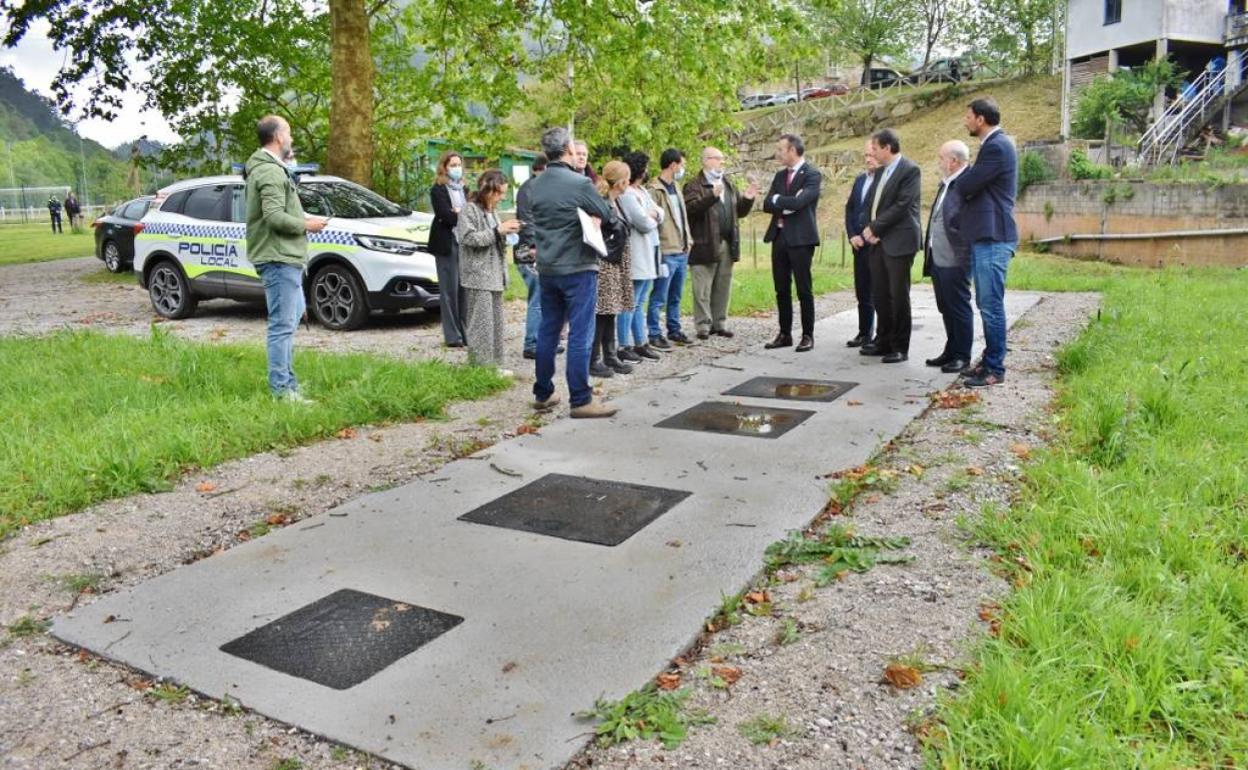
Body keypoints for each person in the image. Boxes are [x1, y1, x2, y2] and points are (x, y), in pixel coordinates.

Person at [526, 126, 618, 418]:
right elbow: (606, 214)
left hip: (548, 267)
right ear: (567, 150)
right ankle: (580, 399)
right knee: (581, 331)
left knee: (549, 329)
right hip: (578, 265)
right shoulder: (579, 183)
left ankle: (543, 393)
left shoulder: (535, 185)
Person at [245, 114, 327, 402]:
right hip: (278, 258)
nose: (291, 138)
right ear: (279, 137)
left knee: (289, 323)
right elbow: (274, 217)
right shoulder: (269, 172)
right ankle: (282, 392)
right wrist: (307, 225)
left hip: (286, 257)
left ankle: (289, 385)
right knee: (282, 326)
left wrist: (304, 218)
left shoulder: (271, 169)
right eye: (289, 133)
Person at [958, 97, 1018, 387]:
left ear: (981, 119)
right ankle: (989, 359)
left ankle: (995, 368)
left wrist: (966, 181)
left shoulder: (996, 147)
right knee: (986, 302)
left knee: (991, 304)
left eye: (968, 116)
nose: (966, 121)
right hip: (987, 235)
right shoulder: (994, 146)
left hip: (994, 236)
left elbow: (966, 185)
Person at [860, 128, 921, 364]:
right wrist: (869, 227)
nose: (872, 153)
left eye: (874, 148)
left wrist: (875, 228)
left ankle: (899, 346)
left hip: (899, 241)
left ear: (887, 147)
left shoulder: (910, 170)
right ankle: (883, 340)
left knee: (898, 295)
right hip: (878, 242)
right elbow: (872, 204)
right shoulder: (881, 171)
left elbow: (902, 205)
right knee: (881, 294)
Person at [684, 146, 757, 339]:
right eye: (718, 159)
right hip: (704, 242)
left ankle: (719, 323)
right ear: (706, 160)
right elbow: (690, 210)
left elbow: (737, 212)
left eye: (722, 160)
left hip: (726, 241)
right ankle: (703, 326)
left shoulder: (728, 184)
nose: (721, 163)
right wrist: (711, 196)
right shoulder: (694, 185)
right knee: (702, 288)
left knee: (723, 284)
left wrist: (748, 199)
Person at [456, 169, 521, 376]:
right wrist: (497, 231)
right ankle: (481, 368)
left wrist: (508, 233)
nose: (502, 197)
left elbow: (494, 238)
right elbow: (468, 238)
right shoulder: (470, 210)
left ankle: (495, 364)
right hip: (477, 275)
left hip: (494, 274)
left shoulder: (491, 211)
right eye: (499, 193)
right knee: (481, 325)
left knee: (495, 323)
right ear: (488, 190)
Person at [761, 133, 822, 351]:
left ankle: (807, 335)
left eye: (781, 150)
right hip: (779, 238)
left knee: (804, 289)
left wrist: (782, 201)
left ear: (793, 151)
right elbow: (767, 204)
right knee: (781, 288)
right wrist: (782, 202)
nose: (777, 153)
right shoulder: (779, 176)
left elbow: (799, 203)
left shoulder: (812, 174)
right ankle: (784, 333)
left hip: (801, 239)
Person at [923, 141, 973, 374]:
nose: (939, 162)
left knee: (958, 306)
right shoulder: (947, 183)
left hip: (955, 258)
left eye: (941, 158)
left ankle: (962, 355)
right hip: (938, 256)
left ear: (953, 161)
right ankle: (951, 350)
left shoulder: (967, 183)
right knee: (945, 306)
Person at [590, 161, 637, 378]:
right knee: (602, 312)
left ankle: (610, 355)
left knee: (611, 310)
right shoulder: (601, 203)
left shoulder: (615, 201)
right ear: (621, 182)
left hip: (616, 261)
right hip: (606, 262)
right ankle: (594, 358)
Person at [617, 151, 664, 362]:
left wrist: (652, 215)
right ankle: (623, 344)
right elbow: (643, 223)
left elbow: (658, 212)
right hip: (635, 252)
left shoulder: (642, 191)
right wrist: (651, 216)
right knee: (630, 301)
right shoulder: (627, 194)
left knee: (641, 299)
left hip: (649, 249)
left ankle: (640, 341)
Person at [647, 149, 694, 347]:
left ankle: (674, 329)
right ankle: (654, 332)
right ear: (673, 165)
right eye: (681, 164)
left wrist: (688, 240)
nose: (682, 168)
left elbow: (683, 217)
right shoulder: (654, 189)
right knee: (659, 295)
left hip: (682, 249)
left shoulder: (676, 186)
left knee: (676, 295)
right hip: (666, 251)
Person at [429, 151, 469, 348]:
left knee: (464, 289)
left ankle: (466, 333)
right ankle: (453, 336)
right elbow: (446, 216)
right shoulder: (438, 189)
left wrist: (460, 212)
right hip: (446, 243)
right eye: (452, 164)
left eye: (459, 164)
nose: (456, 168)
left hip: (464, 242)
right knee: (449, 290)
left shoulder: (465, 189)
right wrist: (459, 214)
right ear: (444, 167)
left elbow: (471, 213)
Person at [844, 140, 878, 347]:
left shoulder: (886, 181)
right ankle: (864, 332)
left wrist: (867, 234)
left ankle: (882, 335)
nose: (868, 159)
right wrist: (852, 234)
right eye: (865, 155)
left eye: (872, 154)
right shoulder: (860, 180)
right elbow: (850, 210)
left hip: (877, 243)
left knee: (880, 292)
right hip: (858, 244)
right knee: (862, 291)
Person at [515, 153, 548, 359]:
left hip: (537, 250)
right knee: (537, 299)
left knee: (543, 299)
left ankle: (542, 341)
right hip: (529, 253)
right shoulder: (530, 189)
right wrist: (534, 246)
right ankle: (532, 343)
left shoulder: (536, 187)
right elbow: (528, 222)